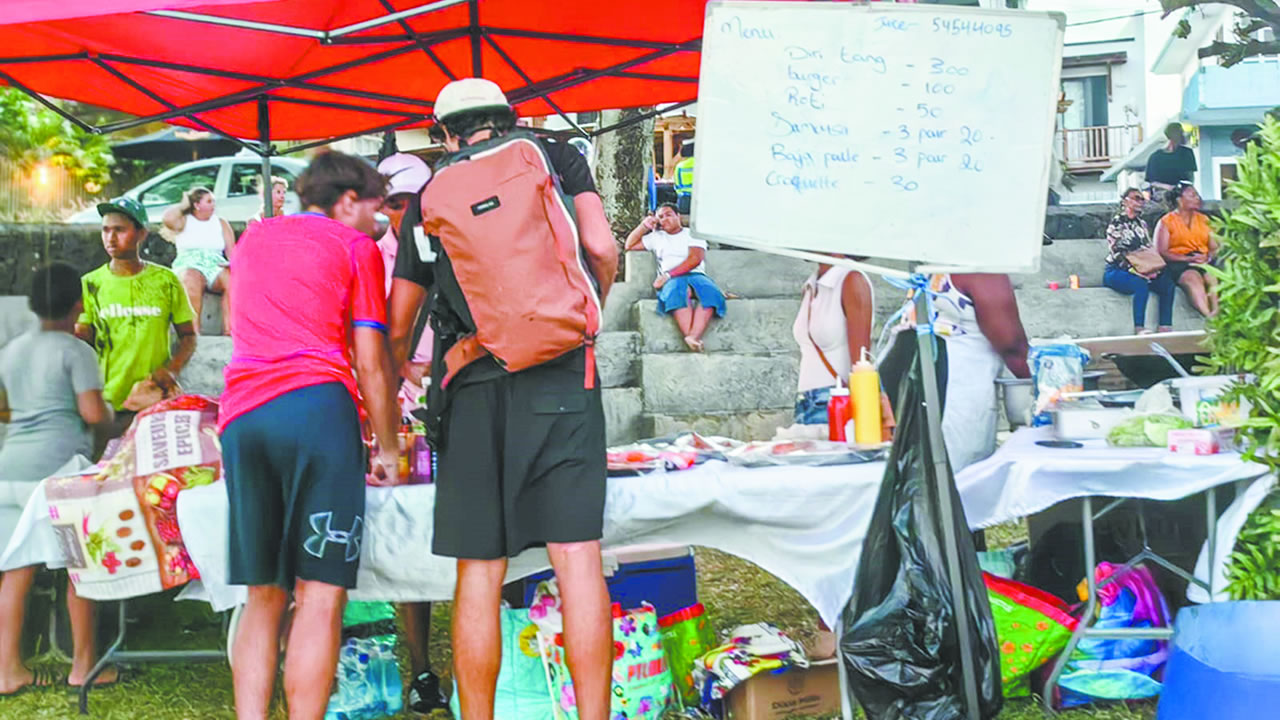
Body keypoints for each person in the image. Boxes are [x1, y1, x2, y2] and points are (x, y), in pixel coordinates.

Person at [390, 78, 618, 720]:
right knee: (577, 559)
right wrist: (581, 310)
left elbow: (399, 315)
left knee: (480, 570)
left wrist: (405, 376)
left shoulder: (430, 195)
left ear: (444, 135)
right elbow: (600, 245)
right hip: (565, 378)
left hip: (473, 389)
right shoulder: (555, 155)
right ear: (509, 119)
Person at [219, 151, 402, 720]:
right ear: (348, 201)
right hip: (317, 408)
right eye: (375, 210)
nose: (379, 223)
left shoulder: (251, 240)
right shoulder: (357, 248)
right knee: (319, 595)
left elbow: (234, 324)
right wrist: (389, 446)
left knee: (262, 596)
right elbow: (372, 361)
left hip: (242, 416)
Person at [0, 264, 117, 695]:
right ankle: (85, 667)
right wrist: (108, 420)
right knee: (79, 566)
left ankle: (7, 670)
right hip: (58, 469)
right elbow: (92, 414)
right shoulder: (76, 351)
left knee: (15, 570)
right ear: (78, 305)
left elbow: (4, 409)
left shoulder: (11, 351)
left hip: (10, 467)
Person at [373, 151, 445, 714]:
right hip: (401, 413)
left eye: (411, 202)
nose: (404, 214)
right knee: (405, 538)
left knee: (487, 536)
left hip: (464, 401)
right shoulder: (372, 258)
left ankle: (509, 641)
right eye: (395, 205)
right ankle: (421, 668)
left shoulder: (461, 242)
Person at [76, 197, 197, 441]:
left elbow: (189, 336)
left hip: (154, 399)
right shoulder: (90, 284)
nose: (110, 238)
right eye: (106, 230)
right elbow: (81, 341)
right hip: (108, 404)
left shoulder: (166, 281)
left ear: (141, 233)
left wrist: (171, 370)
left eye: (119, 230)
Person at [882, 274, 1031, 472]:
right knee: (957, 487)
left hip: (906, 389)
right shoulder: (982, 272)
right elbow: (1013, 347)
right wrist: (1040, 397)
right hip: (954, 399)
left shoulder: (933, 265)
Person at [623, 203, 727, 352]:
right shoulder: (656, 237)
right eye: (661, 217)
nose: (665, 219)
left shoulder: (692, 234)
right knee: (678, 292)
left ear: (678, 216)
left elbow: (695, 258)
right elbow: (629, 245)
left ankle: (693, 336)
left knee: (710, 293)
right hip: (672, 280)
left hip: (694, 274)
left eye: (668, 214)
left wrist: (668, 275)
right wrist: (644, 226)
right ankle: (691, 337)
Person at [792, 257, 875, 424]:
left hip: (837, 401)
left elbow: (861, 361)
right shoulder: (811, 285)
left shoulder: (852, 280)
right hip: (804, 400)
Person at [162, 187, 235, 334]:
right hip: (189, 263)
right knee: (191, 278)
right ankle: (193, 332)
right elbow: (167, 219)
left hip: (215, 264)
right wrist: (184, 205)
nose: (213, 205)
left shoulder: (221, 223)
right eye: (209, 201)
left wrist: (233, 265)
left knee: (232, 279)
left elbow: (232, 252)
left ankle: (230, 330)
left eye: (213, 201)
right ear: (197, 205)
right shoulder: (184, 221)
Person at [1104, 188, 1177, 334]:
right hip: (1118, 270)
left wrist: (1153, 269)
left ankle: (1165, 325)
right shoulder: (1117, 224)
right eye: (1136, 198)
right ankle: (1139, 327)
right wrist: (1138, 271)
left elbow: (1147, 248)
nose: (1140, 202)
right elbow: (1118, 253)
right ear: (1126, 201)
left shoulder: (1141, 224)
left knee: (1167, 284)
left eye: (1142, 199)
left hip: (1143, 268)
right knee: (1140, 284)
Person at [1155, 183, 1218, 318]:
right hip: (1179, 262)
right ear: (1179, 200)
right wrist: (1188, 259)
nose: (1198, 198)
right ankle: (1208, 315)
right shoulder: (1167, 221)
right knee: (1193, 278)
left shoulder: (1204, 219)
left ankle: (1217, 311)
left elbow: (1213, 247)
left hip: (1202, 260)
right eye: (1192, 195)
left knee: (1211, 277)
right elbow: (1162, 251)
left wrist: (1208, 258)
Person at [1144, 123, 1197, 201]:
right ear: (1174, 135)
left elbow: (1190, 178)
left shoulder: (1187, 153)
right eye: (1181, 133)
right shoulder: (1156, 157)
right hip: (1161, 197)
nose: (1183, 136)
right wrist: (1169, 187)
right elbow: (1152, 182)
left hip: (1182, 195)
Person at [673, 139, 694, 214]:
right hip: (699, 197)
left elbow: (677, 183)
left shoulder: (680, 166)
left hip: (684, 199)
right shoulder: (701, 164)